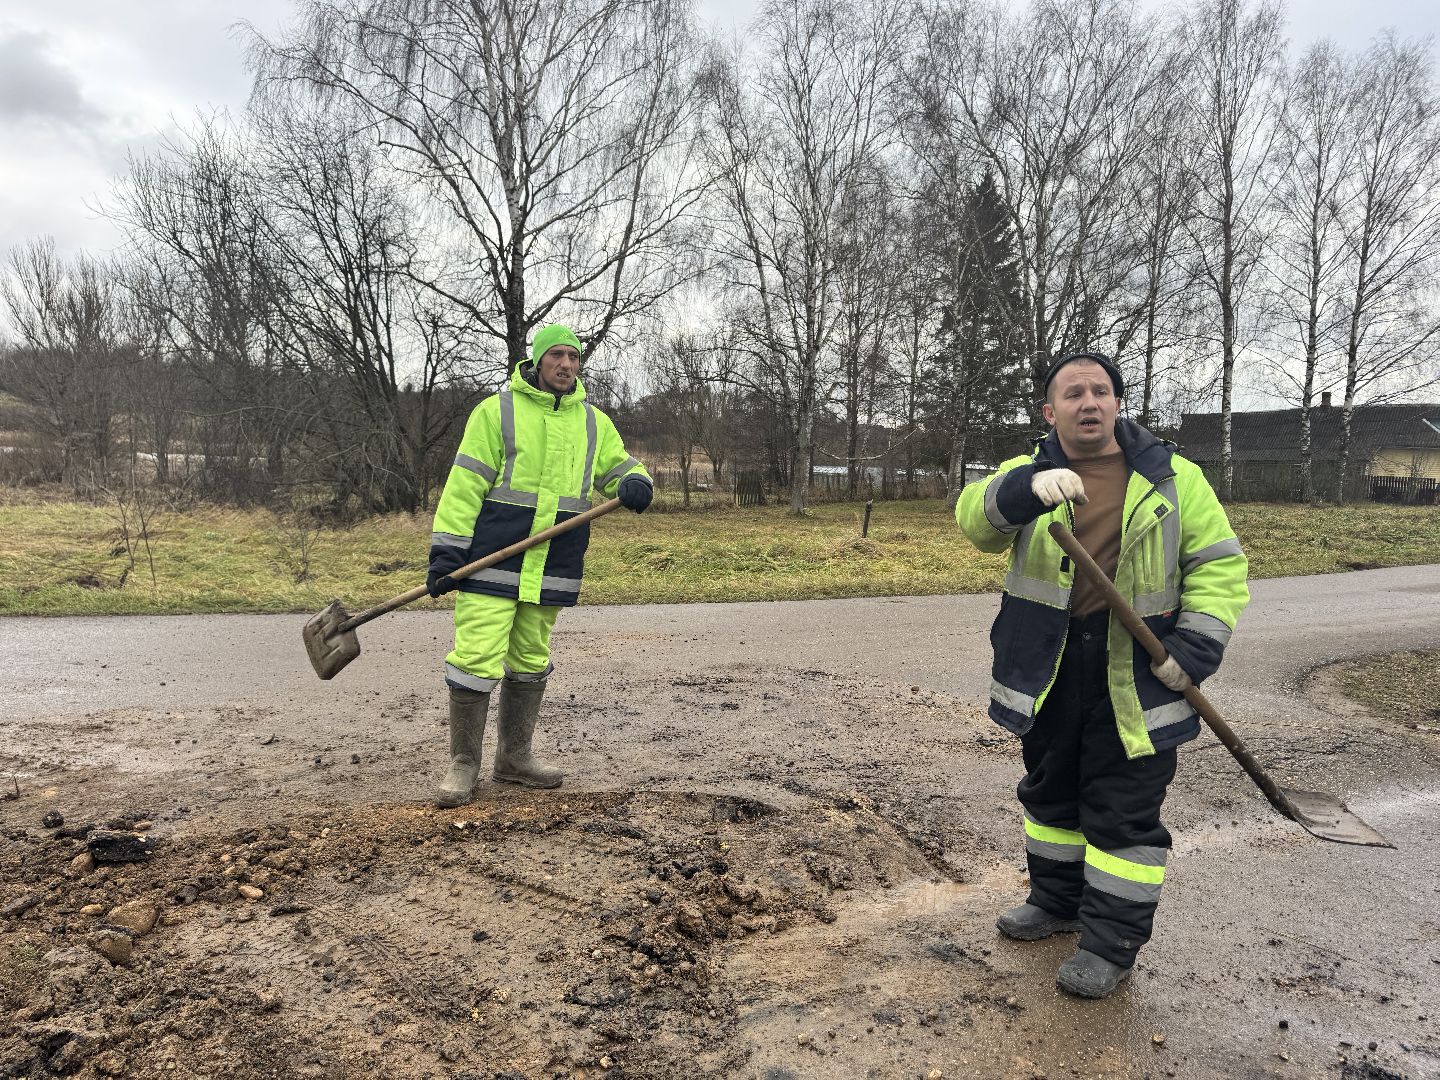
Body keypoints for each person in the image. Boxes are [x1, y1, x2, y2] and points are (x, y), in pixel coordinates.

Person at [955, 351, 1249, 998]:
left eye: (1101, 391)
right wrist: (1024, 488)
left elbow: (1220, 567)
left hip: (1139, 670)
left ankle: (1110, 943)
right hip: (1050, 667)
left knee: (1123, 813)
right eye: (1073, 393)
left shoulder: (1175, 478)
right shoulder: (1025, 472)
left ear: (1117, 402)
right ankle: (1055, 903)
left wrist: (1194, 650)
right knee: (1051, 794)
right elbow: (974, 521)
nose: (1089, 402)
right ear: (1049, 410)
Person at [426, 324, 652, 808]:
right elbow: (464, 487)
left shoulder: (593, 423)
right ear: (537, 360)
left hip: (553, 565)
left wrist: (636, 482)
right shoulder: (496, 412)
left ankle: (515, 758)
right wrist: (446, 554)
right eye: (557, 356)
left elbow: (621, 468)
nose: (566, 365)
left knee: (530, 658)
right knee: (475, 658)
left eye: (574, 356)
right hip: (489, 561)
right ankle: (463, 763)